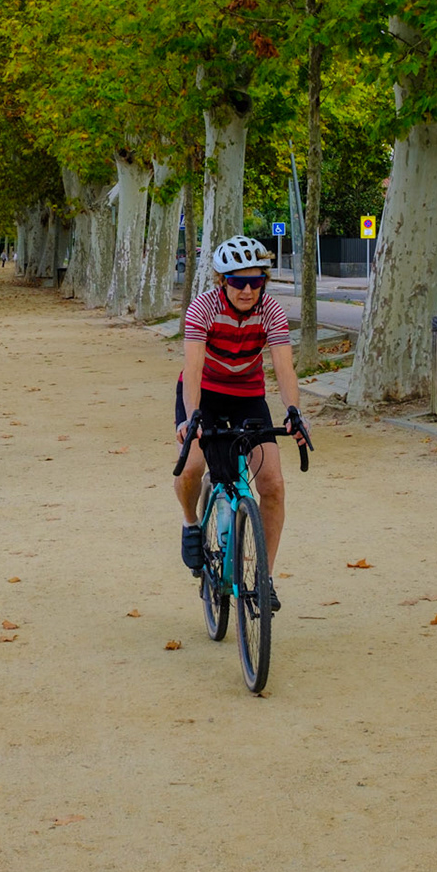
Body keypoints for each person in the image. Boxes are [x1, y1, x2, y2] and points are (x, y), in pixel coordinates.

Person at [173, 236, 308, 603]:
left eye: (255, 281)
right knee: (190, 468)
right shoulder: (202, 309)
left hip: (248, 396)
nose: (247, 290)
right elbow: (194, 368)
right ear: (222, 282)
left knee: (273, 485)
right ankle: (190, 523)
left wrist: (294, 411)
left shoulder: (272, 312)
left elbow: (283, 367)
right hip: (205, 394)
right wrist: (192, 417)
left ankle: (263, 577)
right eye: (237, 282)